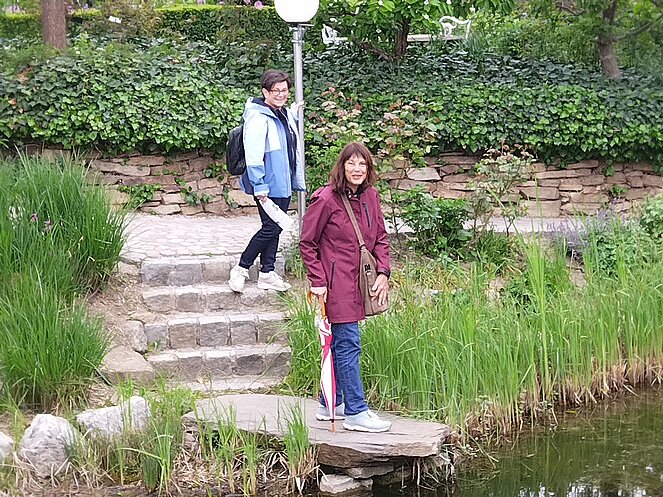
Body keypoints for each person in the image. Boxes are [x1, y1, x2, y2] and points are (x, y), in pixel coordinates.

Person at [299, 142, 392, 433]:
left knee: (343, 343)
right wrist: (317, 280)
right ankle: (356, 412)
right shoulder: (326, 199)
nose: (357, 169)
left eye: (362, 164)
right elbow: (307, 243)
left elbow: (381, 238)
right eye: (351, 163)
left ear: (369, 168)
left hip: (360, 280)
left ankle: (332, 402)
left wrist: (383, 273)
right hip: (335, 283)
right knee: (349, 343)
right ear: (342, 166)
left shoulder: (371, 197)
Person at [228, 69, 305, 293]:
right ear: (265, 92)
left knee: (274, 228)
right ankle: (241, 267)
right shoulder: (258, 117)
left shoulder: (281, 114)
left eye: (284, 90)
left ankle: (267, 273)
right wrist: (259, 184)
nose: (281, 94)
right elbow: (254, 155)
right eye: (275, 91)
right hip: (267, 184)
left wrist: (294, 112)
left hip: (283, 182)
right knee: (272, 227)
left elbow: (284, 133)